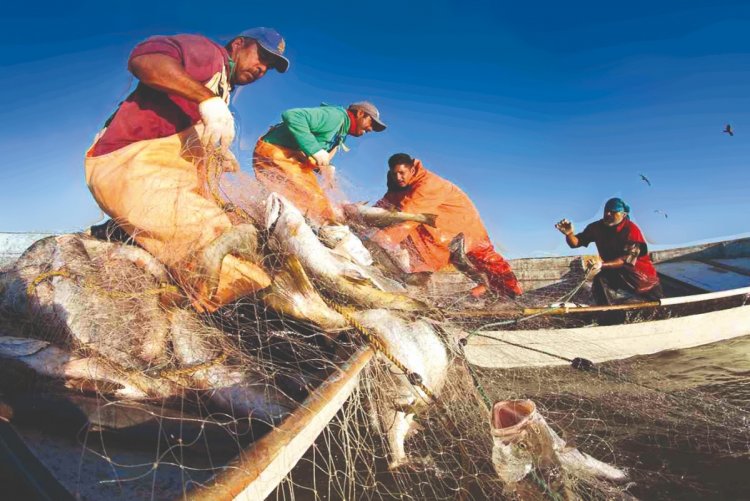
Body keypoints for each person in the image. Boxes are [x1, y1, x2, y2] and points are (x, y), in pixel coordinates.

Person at [84, 28, 290, 312]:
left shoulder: (224, 89)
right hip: (131, 164)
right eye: (262, 56)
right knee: (223, 256)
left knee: (236, 234)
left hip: (166, 175)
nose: (263, 68)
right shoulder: (209, 54)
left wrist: (215, 151)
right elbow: (144, 60)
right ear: (239, 44)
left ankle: (122, 233)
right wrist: (207, 99)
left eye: (270, 66)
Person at [371, 153, 522, 299]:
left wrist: (382, 240)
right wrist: (360, 214)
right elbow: (387, 206)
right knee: (455, 263)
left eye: (401, 173)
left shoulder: (428, 184)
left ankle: (513, 294)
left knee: (484, 258)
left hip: (463, 226)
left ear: (412, 170)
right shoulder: (399, 185)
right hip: (440, 231)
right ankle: (490, 293)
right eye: (394, 174)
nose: (398, 177)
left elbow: (409, 216)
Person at [253, 101, 386, 224]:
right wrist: (315, 150)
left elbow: (317, 157)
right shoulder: (335, 116)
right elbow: (292, 115)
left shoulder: (341, 134)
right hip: (275, 151)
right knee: (317, 204)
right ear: (360, 113)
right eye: (371, 123)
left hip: (292, 159)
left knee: (311, 202)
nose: (371, 129)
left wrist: (324, 169)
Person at [555, 197, 663, 305]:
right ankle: (606, 312)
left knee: (656, 302)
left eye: (613, 212)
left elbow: (627, 260)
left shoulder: (631, 230)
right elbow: (576, 243)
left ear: (623, 214)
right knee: (600, 280)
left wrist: (601, 265)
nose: (608, 214)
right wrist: (569, 234)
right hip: (614, 272)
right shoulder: (596, 228)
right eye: (606, 211)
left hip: (640, 277)